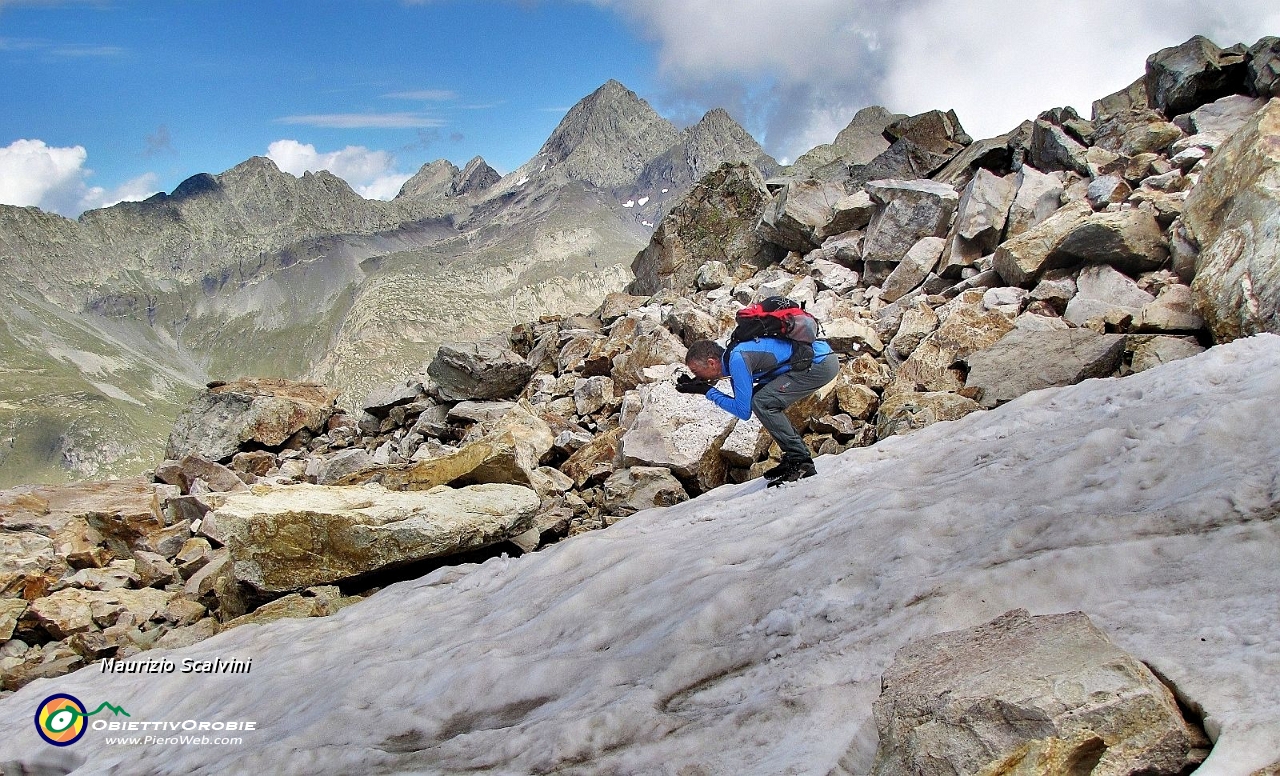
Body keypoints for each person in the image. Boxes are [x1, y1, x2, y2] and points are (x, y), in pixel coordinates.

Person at [676, 335, 839, 485]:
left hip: (820, 364)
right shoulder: (733, 356)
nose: (698, 377)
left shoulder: (737, 360)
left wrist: (706, 391)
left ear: (712, 362)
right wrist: (701, 386)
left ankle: (801, 462)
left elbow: (743, 411)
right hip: (820, 358)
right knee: (759, 398)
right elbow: (744, 404)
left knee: (763, 402)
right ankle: (794, 456)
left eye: (697, 372)